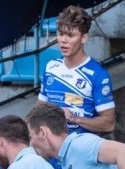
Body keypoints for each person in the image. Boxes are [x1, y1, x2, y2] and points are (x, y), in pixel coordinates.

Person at [38, 5, 115, 135]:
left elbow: (109, 124)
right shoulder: (51, 67)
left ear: (84, 38)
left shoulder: (98, 74)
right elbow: (39, 110)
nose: (63, 40)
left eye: (70, 35)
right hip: (51, 145)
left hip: (81, 144)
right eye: (60, 34)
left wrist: (75, 119)